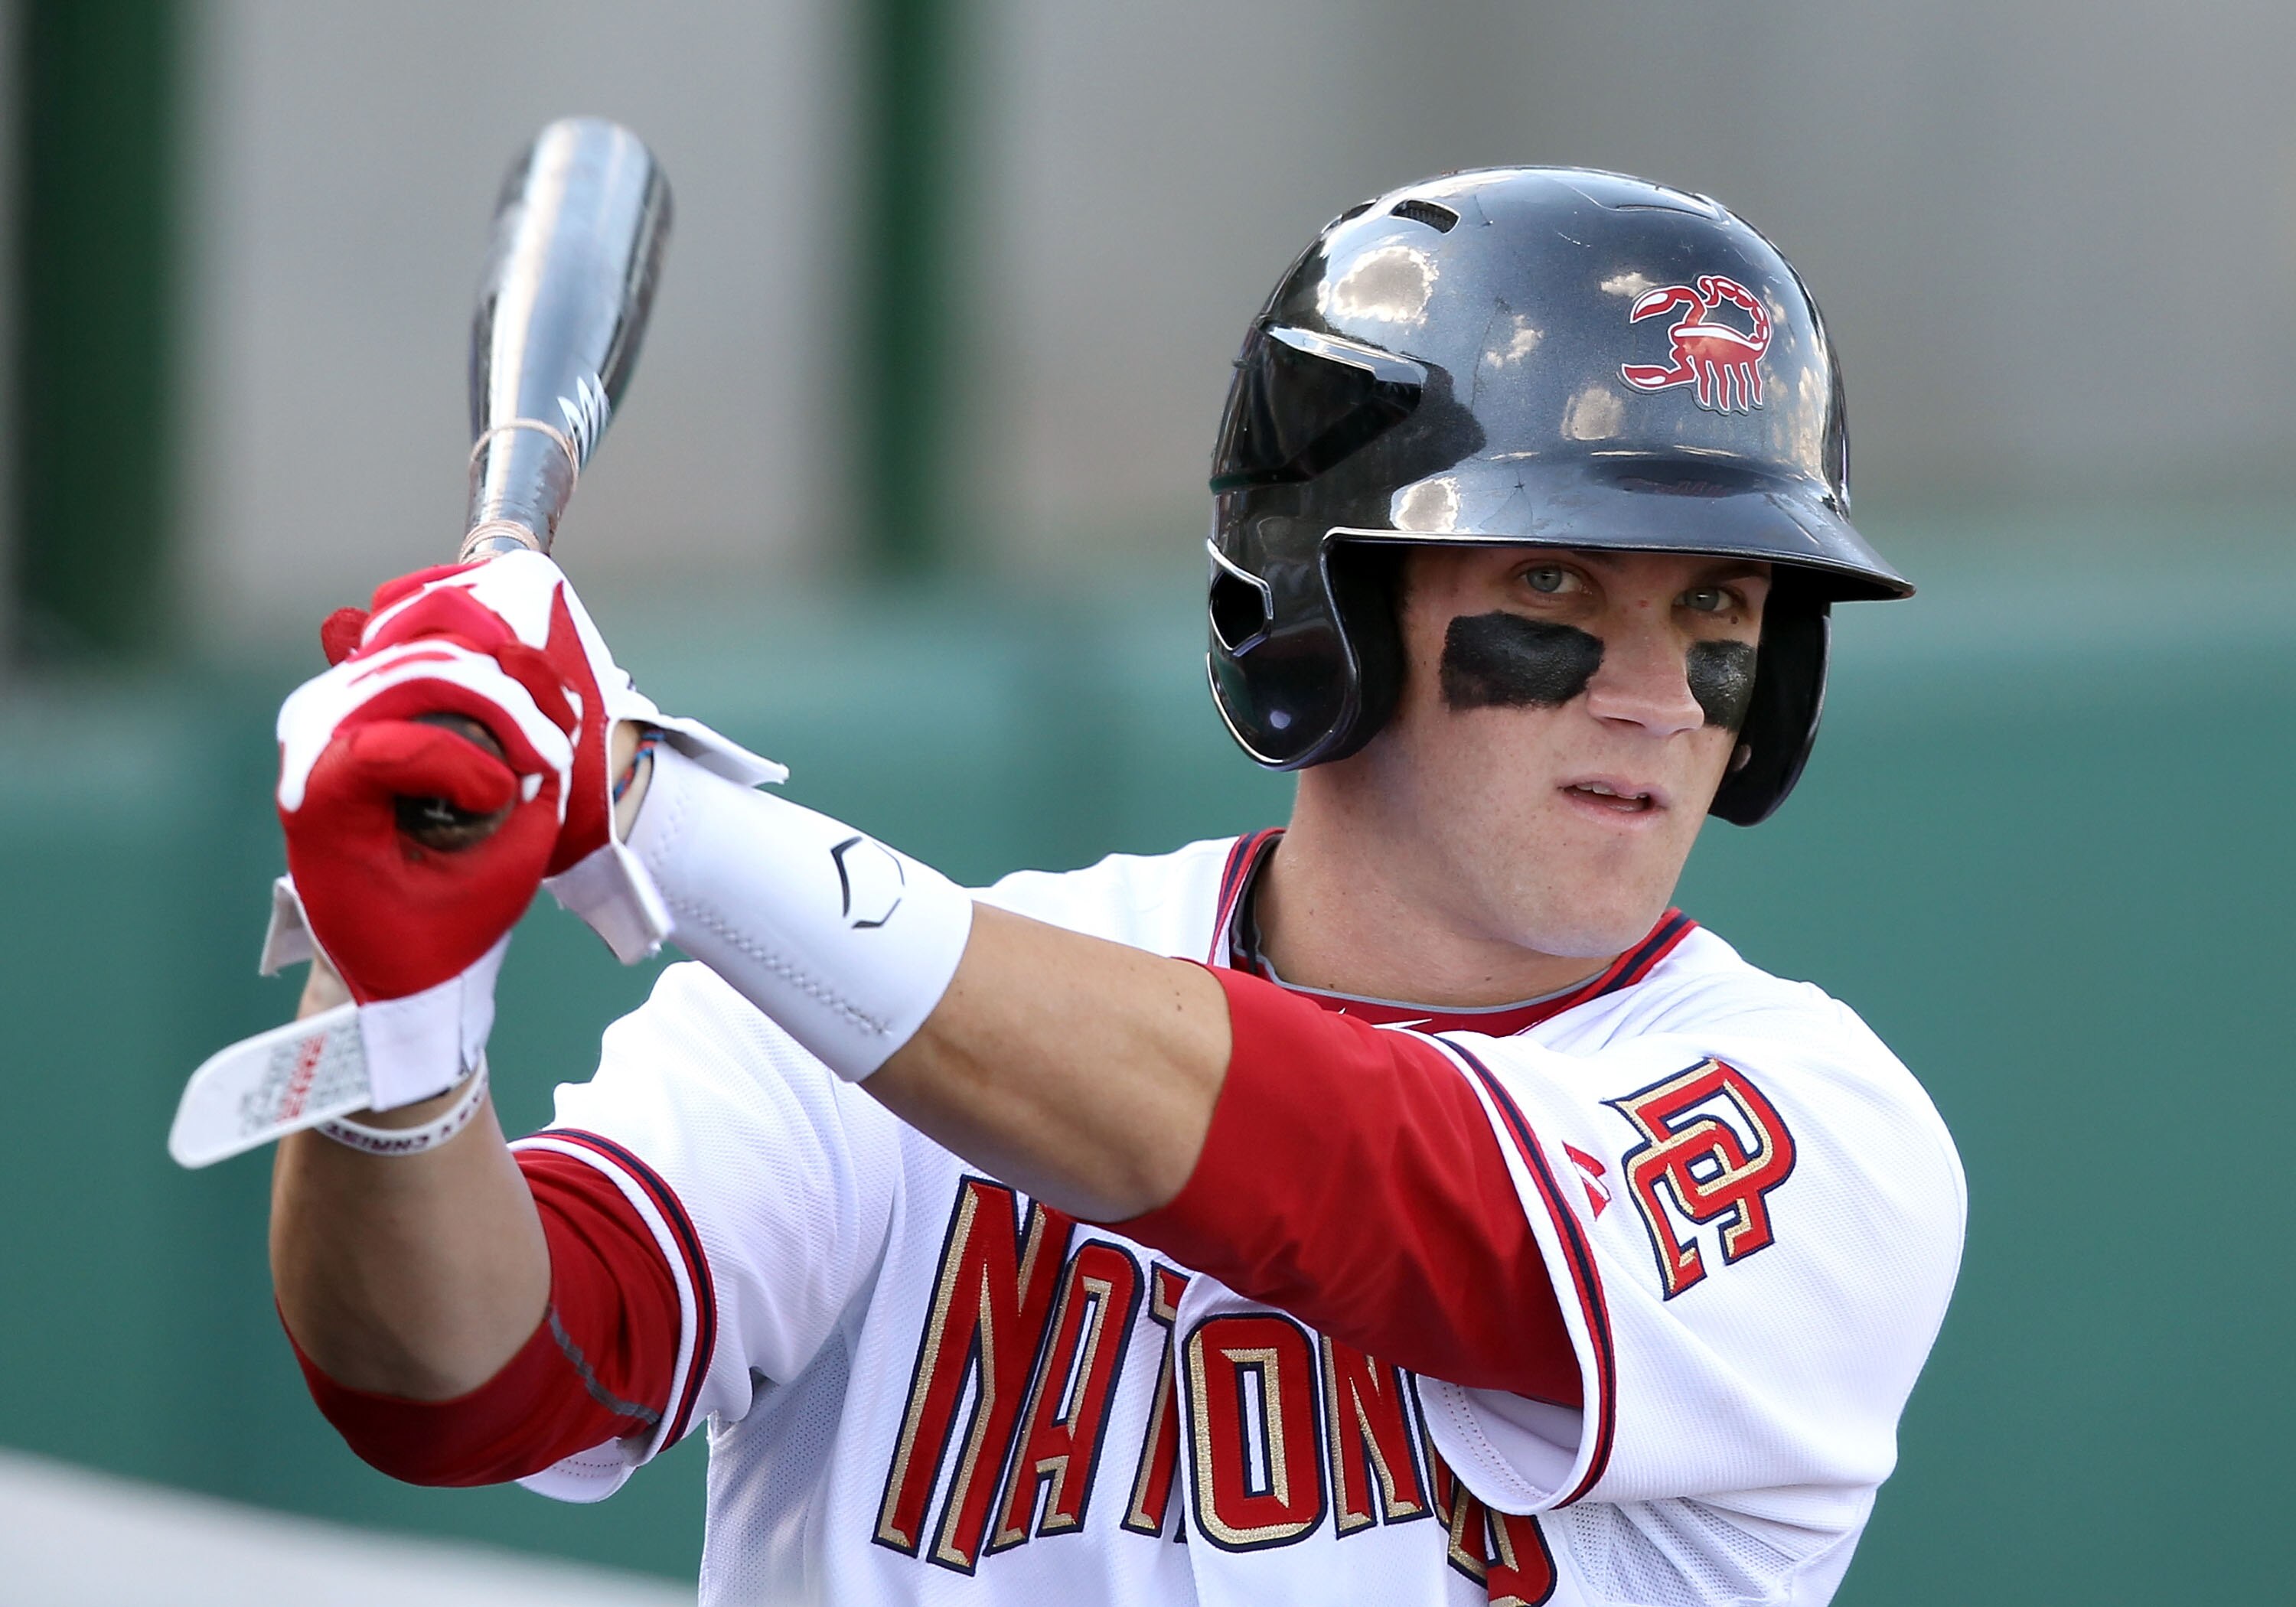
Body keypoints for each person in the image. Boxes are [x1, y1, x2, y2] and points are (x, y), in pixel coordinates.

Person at [257, 168, 1964, 1605]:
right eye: (1556, 579)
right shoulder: (886, 1023)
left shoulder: (1817, 1131)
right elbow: (452, 1379)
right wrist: (392, 1000)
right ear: (1329, 612)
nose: (1656, 693)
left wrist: (645, 804)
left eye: (1721, 610)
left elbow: (1357, 1171)